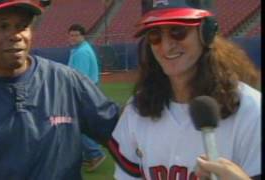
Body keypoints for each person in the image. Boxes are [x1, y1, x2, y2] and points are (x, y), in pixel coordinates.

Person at [0, 0, 120, 179]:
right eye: (3, 26)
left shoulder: (67, 82)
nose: (16, 35)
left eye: (22, 25)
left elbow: (125, 137)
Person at [107, 0, 261, 180]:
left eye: (178, 31)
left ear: (207, 32)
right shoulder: (136, 110)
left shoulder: (251, 111)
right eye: (155, 35)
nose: (166, 46)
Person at [67, 24, 106, 172]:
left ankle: (95, 153)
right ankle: (88, 154)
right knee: (80, 124)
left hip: (84, 92)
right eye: (71, 35)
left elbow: (79, 78)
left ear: (83, 36)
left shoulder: (81, 52)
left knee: (76, 125)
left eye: (76, 35)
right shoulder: (79, 49)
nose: (73, 38)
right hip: (88, 90)